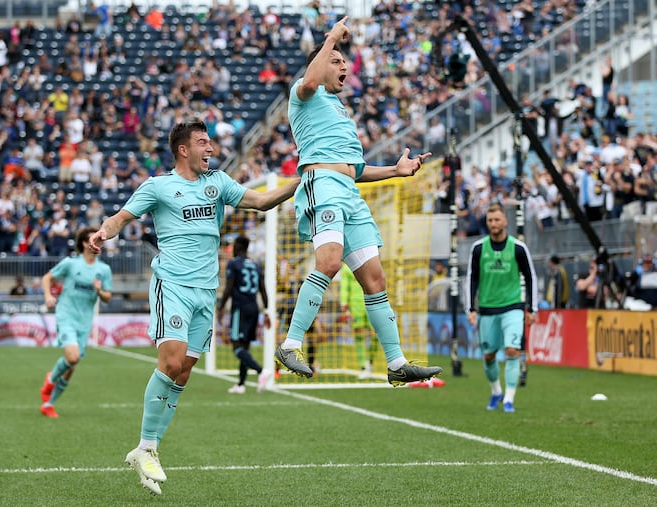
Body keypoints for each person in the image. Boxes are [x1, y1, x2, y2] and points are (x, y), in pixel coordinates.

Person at [88, 121, 299, 496]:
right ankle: (148, 446)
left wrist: (299, 182)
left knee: (183, 372)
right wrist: (103, 232)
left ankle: (145, 450)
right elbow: (121, 218)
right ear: (183, 149)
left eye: (211, 142)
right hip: (173, 285)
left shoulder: (218, 183)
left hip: (207, 291)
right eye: (203, 142)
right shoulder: (159, 186)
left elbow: (262, 201)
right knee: (169, 362)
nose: (211, 148)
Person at [273, 16, 442, 386]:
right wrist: (331, 37)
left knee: (375, 278)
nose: (344, 65)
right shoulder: (304, 93)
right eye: (336, 60)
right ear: (319, 62)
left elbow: (356, 169)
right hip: (324, 185)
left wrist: (396, 171)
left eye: (344, 61)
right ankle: (289, 344)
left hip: (349, 192)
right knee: (329, 263)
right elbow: (312, 79)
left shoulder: (340, 112)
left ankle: (396, 363)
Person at [466, 203, 538, 413]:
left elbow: (530, 277)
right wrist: (471, 308)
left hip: (513, 308)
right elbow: (472, 278)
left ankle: (509, 398)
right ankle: (496, 391)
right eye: (490, 220)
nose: (493, 224)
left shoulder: (518, 248)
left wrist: (531, 309)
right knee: (489, 356)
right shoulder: (479, 248)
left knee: (512, 351)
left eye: (497, 219)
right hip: (487, 310)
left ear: (505, 221)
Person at [39, 227, 113, 419]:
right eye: (94, 240)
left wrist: (99, 291)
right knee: (72, 357)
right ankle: (51, 379)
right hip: (66, 315)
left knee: (72, 366)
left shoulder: (104, 270)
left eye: (100, 240)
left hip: (84, 321)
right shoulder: (71, 264)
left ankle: (49, 404)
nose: (98, 243)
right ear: (83, 243)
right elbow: (47, 277)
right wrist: (48, 296)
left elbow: (107, 297)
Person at [216, 235, 271, 394]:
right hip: (254, 308)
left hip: (240, 308)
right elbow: (263, 289)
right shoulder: (255, 264)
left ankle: (261, 371)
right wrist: (266, 311)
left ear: (238, 247)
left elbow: (228, 287)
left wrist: (220, 308)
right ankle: (240, 384)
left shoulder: (234, 264)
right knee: (245, 346)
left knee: (236, 346)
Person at [339, 263, 377, 378]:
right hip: (355, 304)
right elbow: (344, 285)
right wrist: (344, 302)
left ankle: (370, 361)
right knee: (359, 334)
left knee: (375, 334)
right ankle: (363, 366)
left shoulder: (370, 260)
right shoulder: (347, 267)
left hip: (372, 301)